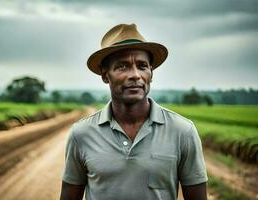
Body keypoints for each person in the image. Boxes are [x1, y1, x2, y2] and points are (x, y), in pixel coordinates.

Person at [60, 24, 208, 200]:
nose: (135, 75)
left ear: (151, 73)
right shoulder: (81, 134)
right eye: (123, 66)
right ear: (105, 75)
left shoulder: (183, 131)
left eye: (142, 65)